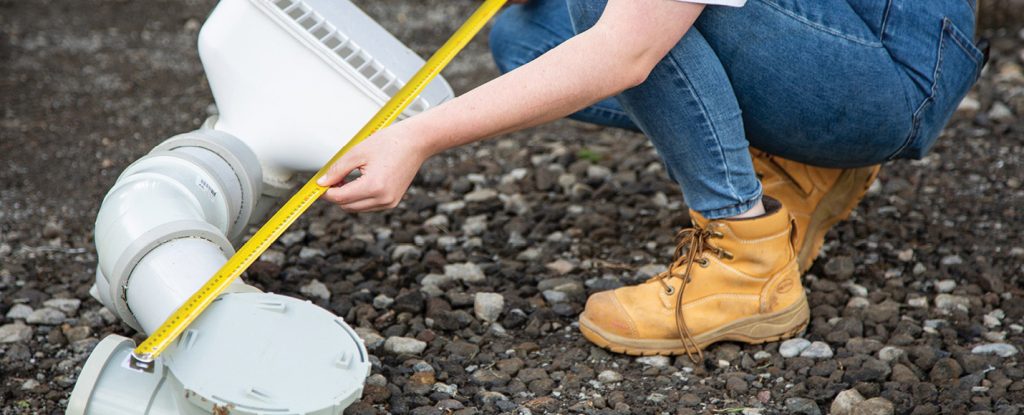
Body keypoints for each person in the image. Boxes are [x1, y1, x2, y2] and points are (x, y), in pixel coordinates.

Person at [316, 0, 984, 360]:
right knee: (529, 34)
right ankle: (799, 160)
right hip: (856, 28)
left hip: (897, 71)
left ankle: (745, 256)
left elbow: (624, 54)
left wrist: (416, 136)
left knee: (610, 16)